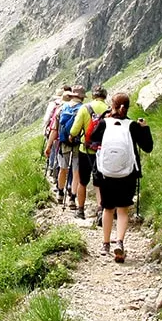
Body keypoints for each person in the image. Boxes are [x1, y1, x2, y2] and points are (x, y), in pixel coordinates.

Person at [88, 91, 153, 262]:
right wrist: (145, 128)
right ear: (127, 107)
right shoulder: (132, 126)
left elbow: (91, 140)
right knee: (123, 210)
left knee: (107, 208)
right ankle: (120, 242)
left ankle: (105, 244)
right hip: (128, 173)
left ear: (112, 105)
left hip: (106, 173)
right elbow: (147, 147)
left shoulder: (104, 123)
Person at [68, 85, 109, 220]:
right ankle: (100, 210)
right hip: (102, 151)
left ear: (93, 96)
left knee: (83, 181)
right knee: (99, 182)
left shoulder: (85, 108)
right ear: (105, 96)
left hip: (85, 150)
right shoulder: (109, 109)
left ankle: (80, 210)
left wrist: (72, 136)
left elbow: (74, 130)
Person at [48, 85, 85, 206]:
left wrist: (48, 146)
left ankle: (60, 193)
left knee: (62, 169)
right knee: (75, 171)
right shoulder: (84, 109)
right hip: (78, 144)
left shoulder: (62, 108)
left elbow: (54, 130)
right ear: (82, 97)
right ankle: (72, 199)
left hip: (63, 143)